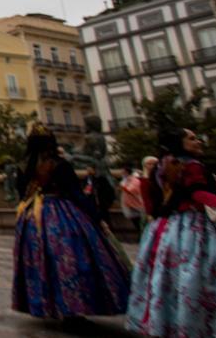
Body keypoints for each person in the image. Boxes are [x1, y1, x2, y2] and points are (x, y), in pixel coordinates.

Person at [12, 122, 130, 325]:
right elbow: (75, 193)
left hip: (33, 215)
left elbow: (21, 192)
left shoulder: (24, 167)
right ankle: (74, 306)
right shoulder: (59, 164)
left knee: (41, 260)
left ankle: (44, 302)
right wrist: (96, 217)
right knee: (73, 258)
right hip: (61, 211)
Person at [127, 127, 216, 337]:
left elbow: (152, 206)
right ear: (179, 143)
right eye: (192, 139)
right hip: (194, 229)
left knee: (170, 279)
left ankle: (170, 323)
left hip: (166, 230)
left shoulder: (161, 167)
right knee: (201, 277)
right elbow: (197, 193)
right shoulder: (192, 166)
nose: (198, 142)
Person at [119, 163, 145, 233]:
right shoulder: (125, 179)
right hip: (129, 203)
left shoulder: (134, 180)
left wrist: (123, 186)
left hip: (135, 204)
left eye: (123, 172)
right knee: (135, 220)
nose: (122, 173)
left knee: (138, 220)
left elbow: (130, 190)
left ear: (127, 172)